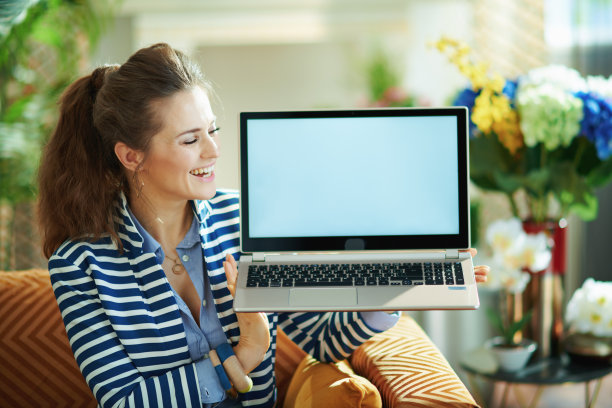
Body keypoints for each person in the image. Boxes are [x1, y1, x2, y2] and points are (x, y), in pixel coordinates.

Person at [38, 43, 489, 408]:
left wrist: (394, 287)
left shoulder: (243, 220)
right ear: (131, 155)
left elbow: (323, 340)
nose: (213, 152)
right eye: (191, 140)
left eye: (212, 131)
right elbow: (123, 401)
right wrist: (245, 356)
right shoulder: (81, 264)